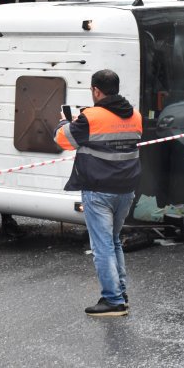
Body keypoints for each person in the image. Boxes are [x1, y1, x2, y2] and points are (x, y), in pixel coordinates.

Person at [54, 70, 142, 317]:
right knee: (113, 242)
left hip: (98, 190)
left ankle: (113, 300)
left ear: (96, 90)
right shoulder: (135, 116)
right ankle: (120, 294)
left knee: (102, 246)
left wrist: (64, 121)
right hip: (125, 189)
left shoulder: (90, 117)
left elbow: (63, 140)